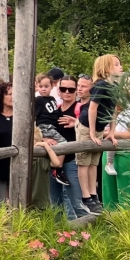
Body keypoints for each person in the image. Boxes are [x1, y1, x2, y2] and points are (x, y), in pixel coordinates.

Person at [77, 55, 123, 214]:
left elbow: (113, 110)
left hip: (99, 128)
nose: (120, 67)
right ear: (106, 69)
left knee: (94, 162)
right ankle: (85, 196)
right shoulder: (101, 85)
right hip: (86, 126)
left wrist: (111, 132)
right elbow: (92, 108)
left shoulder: (115, 86)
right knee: (84, 161)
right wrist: (91, 132)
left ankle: (93, 194)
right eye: (116, 64)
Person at [53, 75, 92, 219]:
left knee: (77, 200)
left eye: (71, 89)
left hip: (73, 160)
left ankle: (87, 232)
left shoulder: (82, 109)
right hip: (54, 159)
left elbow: (93, 132)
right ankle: (59, 234)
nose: (67, 92)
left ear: (76, 91)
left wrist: (76, 122)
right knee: (55, 202)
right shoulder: (55, 109)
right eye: (64, 89)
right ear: (59, 90)